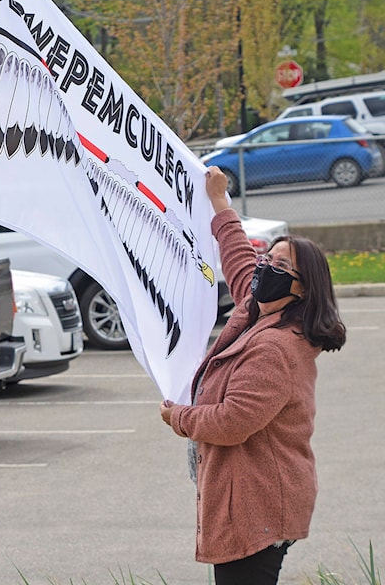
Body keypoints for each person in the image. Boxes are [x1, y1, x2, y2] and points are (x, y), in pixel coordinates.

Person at [160, 166, 347, 585]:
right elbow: (239, 256)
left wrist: (178, 416)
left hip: (258, 507)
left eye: (281, 266)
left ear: (301, 289)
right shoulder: (256, 307)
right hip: (249, 498)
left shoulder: (276, 348)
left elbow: (230, 423)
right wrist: (219, 202)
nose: (266, 268)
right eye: (269, 258)